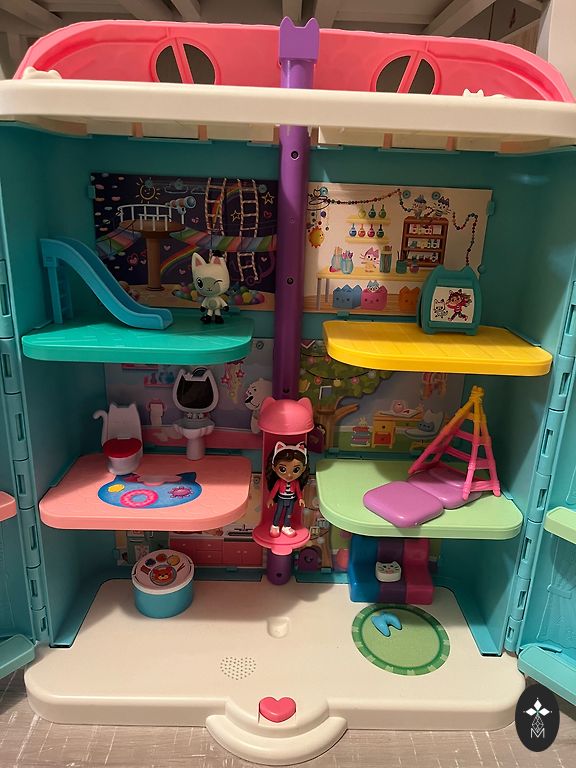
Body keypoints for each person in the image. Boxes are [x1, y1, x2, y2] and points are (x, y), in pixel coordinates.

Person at [265, 441, 309, 538]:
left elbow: (298, 491)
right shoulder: (279, 482)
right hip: (281, 499)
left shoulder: (296, 482)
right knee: (278, 512)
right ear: (274, 467)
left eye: (296, 470)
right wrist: (270, 498)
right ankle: (275, 525)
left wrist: (300, 498)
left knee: (289, 513)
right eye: (283, 469)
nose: (289, 475)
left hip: (291, 500)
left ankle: (286, 526)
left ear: (303, 468)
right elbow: (274, 490)